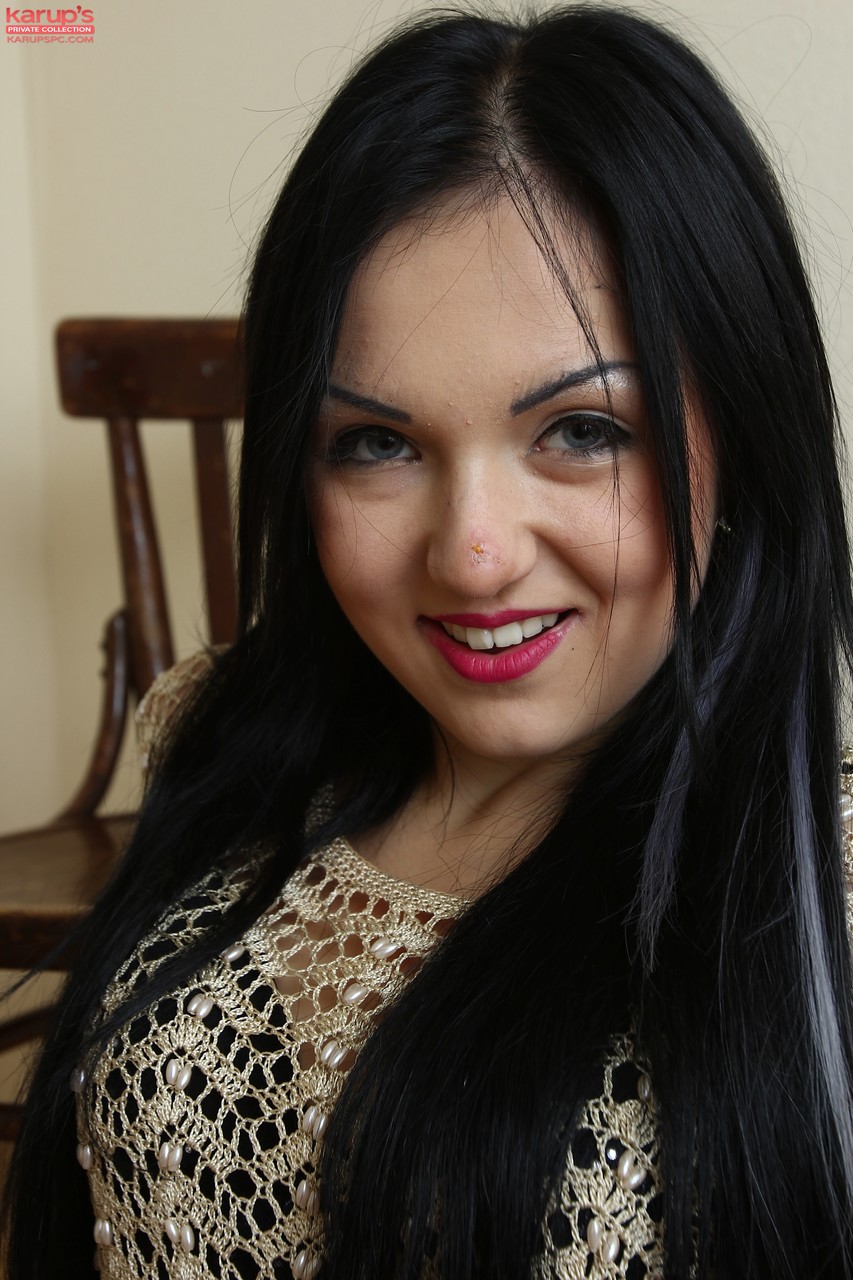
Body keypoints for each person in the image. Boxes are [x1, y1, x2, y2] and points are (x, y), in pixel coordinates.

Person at [4, 6, 853, 1278]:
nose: (470, 553)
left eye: (581, 430)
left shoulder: (820, 889)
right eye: (377, 443)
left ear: (742, 425)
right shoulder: (221, 739)